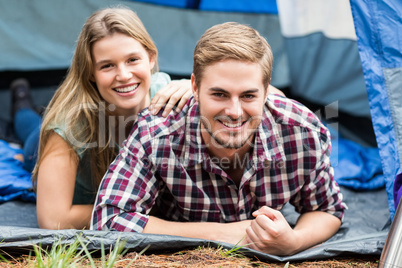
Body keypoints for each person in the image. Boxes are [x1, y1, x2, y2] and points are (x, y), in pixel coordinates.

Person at [91, 22, 346, 256]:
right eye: (220, 94)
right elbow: (109, 219)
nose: (234, 112)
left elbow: (326, 209)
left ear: (266, 91)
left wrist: (294, 241)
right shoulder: (156, 133)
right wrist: (226, 234)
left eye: (248, 95)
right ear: (194, 87)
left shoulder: (301, 131)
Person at [31, 7, 193, 230]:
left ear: (151, 58)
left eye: (133, 60)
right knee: (29, 128)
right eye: (107, 65)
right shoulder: (69, 126)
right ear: (90, 73)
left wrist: (196, 88)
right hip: (40, 139)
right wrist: (125, 212)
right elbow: (53, 219)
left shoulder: (170, 96)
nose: (124, 75)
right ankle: (21, 106)